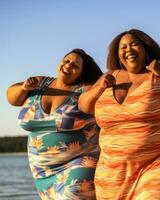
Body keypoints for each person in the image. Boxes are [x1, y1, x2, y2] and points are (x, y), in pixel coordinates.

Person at [79, 29, 160, 199]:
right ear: (117, 55)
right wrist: (100, 88)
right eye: (123, 47)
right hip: (114, 170)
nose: (129, 50)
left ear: (145, 48)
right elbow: (84, 105)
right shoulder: (110, 76)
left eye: (134, 44)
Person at [6, 49, 103, 199]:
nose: (68, 65)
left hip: (80, 160)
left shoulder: (85, 91)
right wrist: (24, 88)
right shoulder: (39, 84)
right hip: (42, 171)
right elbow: (12, 98)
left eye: (75, 65)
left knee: (74, 193)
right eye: (67, 60)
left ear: (81, 73)